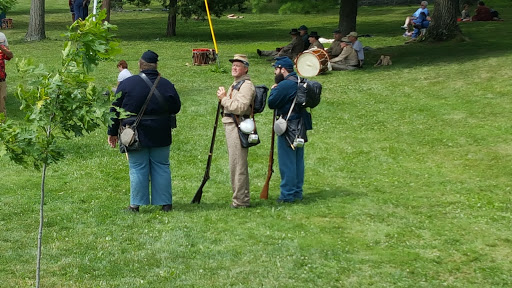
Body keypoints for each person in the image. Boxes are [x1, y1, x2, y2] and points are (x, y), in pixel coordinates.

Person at [107, 50, 181, 212]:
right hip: (161, 132)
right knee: (161, 166)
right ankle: (165, 203)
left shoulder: (127, 84)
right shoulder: (167, 84)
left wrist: (112, 132)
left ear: (140, 65)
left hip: (135, 133)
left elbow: (114, 109)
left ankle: (135, 205)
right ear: (156, 65)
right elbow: (176, 107)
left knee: (137, 167)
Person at [268, 56, 312, 203]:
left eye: (276, 69)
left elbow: (271, 102)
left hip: (288, 125)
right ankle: (297, 192)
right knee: (298, 160)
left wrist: (274, 90)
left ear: (283, 69)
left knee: (287, 162)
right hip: (301, 125)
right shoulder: (300, 81)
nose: (275, 72)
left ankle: (287, 195)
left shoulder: (284, 85)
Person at [216, 54, 255, 208]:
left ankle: (241, 201)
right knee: (235, 164)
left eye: (238, 65)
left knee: (238, 165)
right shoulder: (237, 83)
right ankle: (240, 198)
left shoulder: (246, 85)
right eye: (233, 65)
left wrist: (223, 99)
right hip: (232, 125)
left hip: (237, 126)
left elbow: (241, 107)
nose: (234, 67)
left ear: (245, 68)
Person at [0, 32, 13, 118]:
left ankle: (2, 126)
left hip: (1, 79)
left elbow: (10, 55)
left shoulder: (2, 50)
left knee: (2, 104)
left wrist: (2, 48)